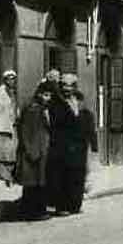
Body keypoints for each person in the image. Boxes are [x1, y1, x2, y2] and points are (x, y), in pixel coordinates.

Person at [46, 86, 98, 215]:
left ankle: (75, 205)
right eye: (71, 98)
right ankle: (63, 206)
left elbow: (91, 131)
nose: (75, 102)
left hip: (81, 151)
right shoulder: (63, 111)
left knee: (78, 178)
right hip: (65, 150)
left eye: (76, 99)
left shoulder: (87, 114)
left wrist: (94, 146)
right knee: (65, 178)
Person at [14, 82, 53, 221]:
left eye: (49, 95)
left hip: (39, 150)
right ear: (40, 94)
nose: (48, 98)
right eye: (46, 95)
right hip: (34, 151)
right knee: (33, 185)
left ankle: (34, 211)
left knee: (36, 183)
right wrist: (31, 150)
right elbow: (26, 131)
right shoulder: (33, 109)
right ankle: (33, 212)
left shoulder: (39, 107)